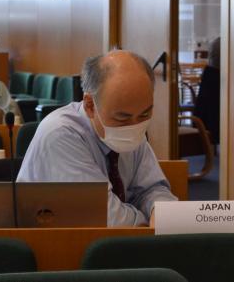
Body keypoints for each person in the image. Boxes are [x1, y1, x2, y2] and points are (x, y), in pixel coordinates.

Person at [17, 50, 177, 226]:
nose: (134, 125)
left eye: (145, 114)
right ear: (90, 105)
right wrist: (151, 225)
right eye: (122, 118)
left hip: (112, 247)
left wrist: (162, 212)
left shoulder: (134, 126)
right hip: (56, 247)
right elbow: (105, 218)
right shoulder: (60, 134)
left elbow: (152, 189)